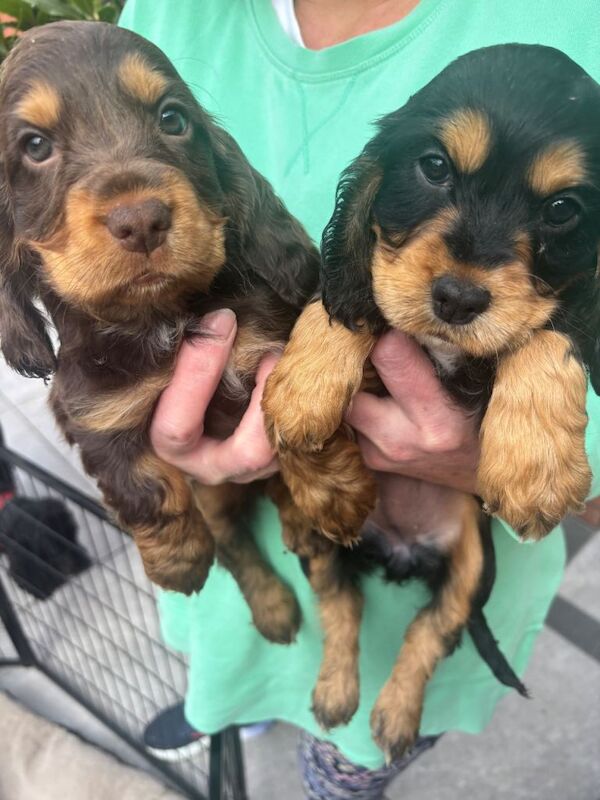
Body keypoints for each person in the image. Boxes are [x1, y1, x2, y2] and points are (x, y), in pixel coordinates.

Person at [119, 1, 600, 796]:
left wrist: (540, 380)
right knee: (246, 665)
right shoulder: (168, 14)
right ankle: (242, 699)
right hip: (246, 578)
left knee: (343, 772)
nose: (461, 278)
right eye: (436, 171)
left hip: (447, 566)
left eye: (560, 211)